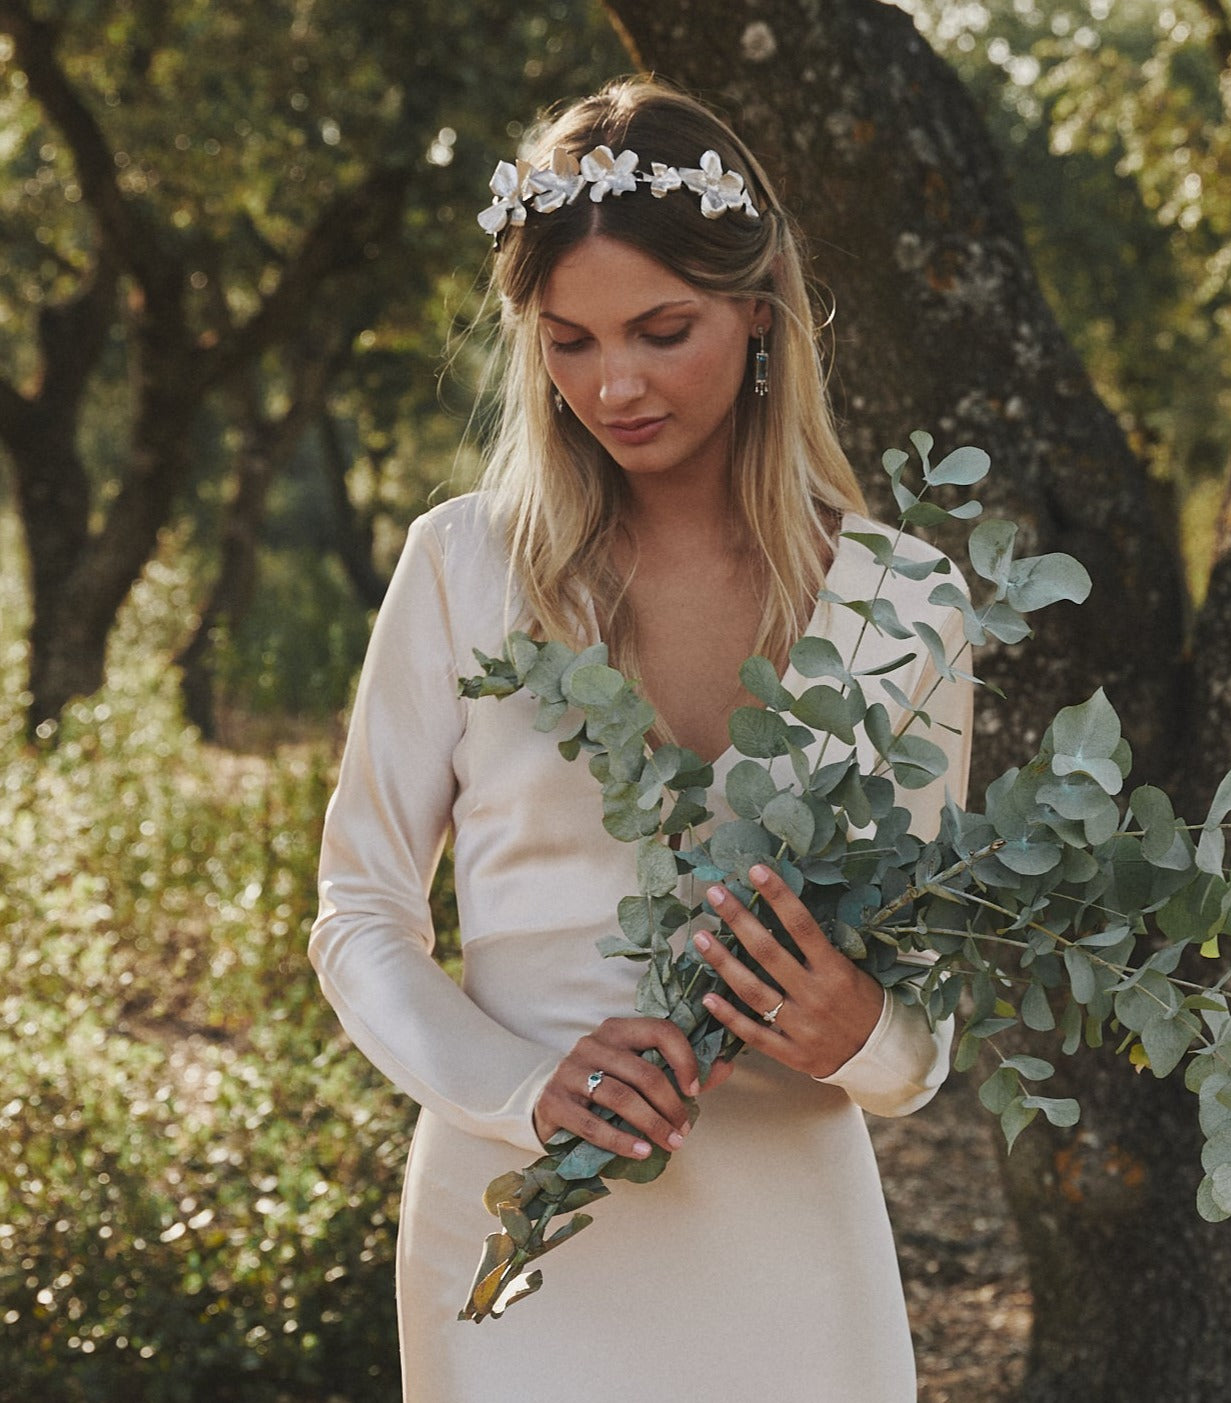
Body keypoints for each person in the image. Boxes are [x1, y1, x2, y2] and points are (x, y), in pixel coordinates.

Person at [309, 75, 973, 1402]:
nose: (613, 385)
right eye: (568, 343)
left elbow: (926, 1036)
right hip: (517, 1239)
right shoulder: (462, 569)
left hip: (792, 1253)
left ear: (759, 308)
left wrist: (857, 1031)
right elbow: (358, 912)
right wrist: (519, 1088)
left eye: (662, 331)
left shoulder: (907, 604)